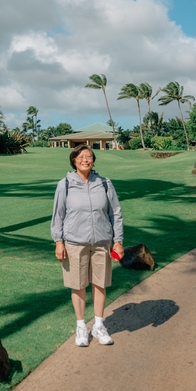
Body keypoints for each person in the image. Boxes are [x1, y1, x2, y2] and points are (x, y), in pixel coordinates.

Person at [51, 144, 124, 347]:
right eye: (81, 156)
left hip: (102, 242)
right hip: (74, 243)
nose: (85, 159)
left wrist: (118, 241)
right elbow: (58, 215)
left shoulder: (104, 183)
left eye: (89, 156)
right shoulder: (65, 184)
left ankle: (99, 325)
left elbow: (115, 213)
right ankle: (81, 326)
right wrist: (59, 242)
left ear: (93, 160)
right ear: (74, 160)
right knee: (78, 284)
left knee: (100, 284)